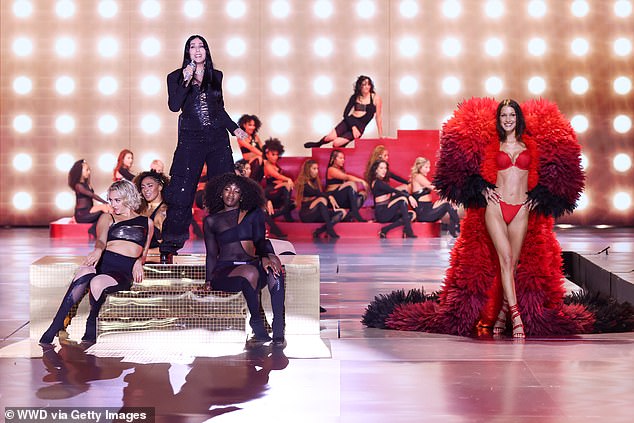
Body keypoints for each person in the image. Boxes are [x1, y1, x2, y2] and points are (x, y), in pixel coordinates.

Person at [364, 97, 590, 338]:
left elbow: (551, 171)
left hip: (521, 208)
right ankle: (516, 316)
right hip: (496, 207)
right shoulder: (492, 145)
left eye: (512, 115)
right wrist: (481, 189)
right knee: (504, 258)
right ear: (498, 119)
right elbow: (468, 170)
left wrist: (540, 196)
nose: (508, 119)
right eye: (503, 115)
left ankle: (502, 313)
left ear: (518, 118)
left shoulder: (529, 146)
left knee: (512, 264)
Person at [160, 34, 248, 264]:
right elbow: (174, 105)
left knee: (225, 189)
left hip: (217, 138)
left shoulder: (215, 76)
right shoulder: (176, 76)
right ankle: (170, 245)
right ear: (187, 52)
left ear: (207, 51)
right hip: (191, 139)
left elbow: (219, 109)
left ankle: (227, 242)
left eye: (201, 46)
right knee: (182, 191)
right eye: (192, 46)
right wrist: (185, 80)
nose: (197, 50)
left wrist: (234, 129)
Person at [40, 180, 153, 344]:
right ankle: (55, 325)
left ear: (128, 198)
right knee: (85, 272)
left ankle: (92, 322)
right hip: (103, 261)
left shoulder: (146, 223)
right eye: (111, 200)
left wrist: (138, 261)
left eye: (117, 200)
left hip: (121, 271)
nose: (113, 204)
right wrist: (98, 250)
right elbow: (101, 240)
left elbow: (144, 250)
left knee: (97, 282)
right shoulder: (107, 217)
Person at [202, 173, 285, 346]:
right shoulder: (211, 221)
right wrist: (208, 280)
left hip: (252, 264)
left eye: (236, 191)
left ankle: (278, 327)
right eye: (227, 189)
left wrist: (266, 257)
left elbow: (260, 241)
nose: (231, 194)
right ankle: (257, 323)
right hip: (226, 271)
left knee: (275, 270)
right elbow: (211, 254)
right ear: (220, 192)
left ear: (243, 195)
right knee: (250, 272)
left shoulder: (253, 214)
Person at [304, 75, 383, 148]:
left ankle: (342, 146)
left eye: (368, 84)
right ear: (360, 86)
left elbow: (378, 117)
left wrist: (380, 135)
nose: (367, 87)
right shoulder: (355, 97)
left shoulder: (376, 98)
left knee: (335, 143)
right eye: (364, 85)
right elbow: (345, 114)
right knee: (329, 137)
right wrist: (353, 127)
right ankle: (318, 144)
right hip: (350, 121)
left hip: (360, 126)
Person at [235, 159, 287, 239]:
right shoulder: (237, 182)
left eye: (250, 168)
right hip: (239, 208)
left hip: (249, 207)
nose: (249, 171)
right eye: (247, 169)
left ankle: (273, 231)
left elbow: (258, 195)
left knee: (263, 210)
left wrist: (267, 202)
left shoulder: (251, 182)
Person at [410, 157, 460, 238]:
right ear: (419, 167)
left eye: (429, 167)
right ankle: (457, 226)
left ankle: (453, 228)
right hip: (423, 213)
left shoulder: (421, 176)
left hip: (429, 208)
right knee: (447, 204)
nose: (428, 170)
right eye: (426, 167)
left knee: (449, 202)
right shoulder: (417, 176)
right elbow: (432, 186)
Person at [296, 159, 345, 239]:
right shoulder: (304, 183)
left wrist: (328, 196)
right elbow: (317, 193)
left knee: (342, 212)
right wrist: (329, 196)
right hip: (307, 213)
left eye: (317, 169)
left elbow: (320, 194)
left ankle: (320, 231)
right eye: (314, 169)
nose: (316, 171)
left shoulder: (315, 182)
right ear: (308, 170)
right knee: (322, 199)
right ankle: (330, 230)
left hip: (317, 212)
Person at [368, 160, 417, 238]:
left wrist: (408, 184)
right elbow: (393, 190)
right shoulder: (377, 183)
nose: (384, 170)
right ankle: (409, 232)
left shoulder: (381, 181)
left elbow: (396, 184)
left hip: (388, 211)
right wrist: (409, 196)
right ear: (376, 170)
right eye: (381, 168)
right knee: (402, 200)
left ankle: (386, 229)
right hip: (382, 214)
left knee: (412, 214)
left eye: (385, 168)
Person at [69, 159, 110, 237]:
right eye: (87, 170)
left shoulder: (87, 184)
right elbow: (92, 195)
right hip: (82, 214)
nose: (89, 172)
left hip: (88, 210)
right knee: (103, 211)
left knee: (105, 211)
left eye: (89, 170)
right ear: (80, 171)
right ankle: (93, 230)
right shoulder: (78, 186)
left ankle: (95, 229)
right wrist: (105, 201)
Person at [325, 150, 368, 222]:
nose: (343, 160)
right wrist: (361, 181)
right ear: (334, 159)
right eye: (341, 158)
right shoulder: (331, 170)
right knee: (351, 183)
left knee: (363, 194)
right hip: (333, 199)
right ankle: (357, 215)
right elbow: (347, 177)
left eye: (344, 158)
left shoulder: (341, 170)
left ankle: (348, 217)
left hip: (341, 199)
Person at [134, 170, 170, 258]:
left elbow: (167, 249)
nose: (146, 190)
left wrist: (139, 254)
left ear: (160, 187)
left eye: (150, 186)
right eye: (143, 187)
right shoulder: (140, 210)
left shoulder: (163, 212)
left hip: (155, 265)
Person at [263, 138, 295, 222]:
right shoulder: (266, 164)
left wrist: (285, 182)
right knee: (287, 185)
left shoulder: (275, 164)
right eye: (273, 154)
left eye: (277, 155)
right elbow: (275, 175)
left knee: (294, 203)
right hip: (270, 191)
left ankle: (284, 212)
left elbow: (278, 179)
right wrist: (288, 179)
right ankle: (285, 213)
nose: (275, 157)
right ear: (267, 154)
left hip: (278, 189)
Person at [237, 114, 265, 182]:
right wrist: (263, 156)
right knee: (259, 158)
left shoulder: (255, 136)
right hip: (247, 163)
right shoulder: (241, 134)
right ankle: (250, 184)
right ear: (244, 125)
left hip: (259, 161)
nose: (252, 127)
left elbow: (262, 148)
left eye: (254, 125)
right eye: (250, 125)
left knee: (262, 160)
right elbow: (251, 148)